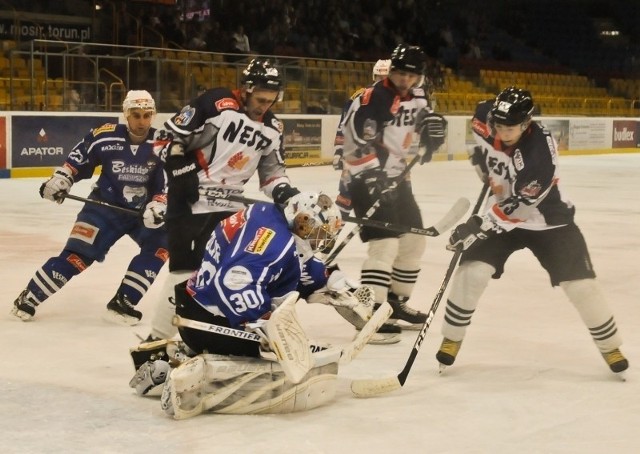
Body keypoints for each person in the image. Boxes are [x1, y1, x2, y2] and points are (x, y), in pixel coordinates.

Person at [437, 86, 629, 376]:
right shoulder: (483, 117)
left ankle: (610, 346)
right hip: (501, 210)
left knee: (581, 286)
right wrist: (480, 162)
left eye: (510, 127)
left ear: (527, 123)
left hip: (546, 219)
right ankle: (451, 338)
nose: (503, 131)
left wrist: (478, 226)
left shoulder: (539, 153)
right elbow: (477, 142)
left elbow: (521, 205)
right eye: (499, 125)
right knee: (472, 272)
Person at [129, 193, 377, 417]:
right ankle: (189, 381)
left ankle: (168, 360)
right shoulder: (275, 240)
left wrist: (335, 282)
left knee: (282, 328)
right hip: (214, 323)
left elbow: (295, 265)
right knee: (282, 360)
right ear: (297, 216)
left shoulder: (267, 214)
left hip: (197, 308)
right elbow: (234, 281)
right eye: (313, 230)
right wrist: (264, 325)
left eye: (322, 236)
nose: (315, 239)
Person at [143, 58, 302, 345]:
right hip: (191, 202)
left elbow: (273, 174)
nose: (263, 106)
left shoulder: (273, 129)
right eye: (259, 99)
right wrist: (180, 168)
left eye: (270, 101)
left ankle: (211, 338)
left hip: (231, 210)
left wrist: (285, 194)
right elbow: (164, 139)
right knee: (186, 274)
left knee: (225, 272)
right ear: (246, 89)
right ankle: (155, 342)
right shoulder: (216, 103)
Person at [11, 90, 168, 324]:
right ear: (126, 115)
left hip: (140, 213)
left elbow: (168, 180)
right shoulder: (104, 136)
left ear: (153, 115)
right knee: (78, 256)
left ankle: (124, 301)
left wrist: (159, 203)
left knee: (161, 245)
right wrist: (62, 178)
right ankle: (30, 296)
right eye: (136, 115)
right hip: (103, 209)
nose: (141, 121)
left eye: (147, 115)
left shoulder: (163, 143)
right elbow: (77, 160)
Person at [339, 44, 448, 341]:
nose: (404, 80)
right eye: (400, 73)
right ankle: (369, 311)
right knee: (384, 245)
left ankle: (395, 304)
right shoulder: (374, 97)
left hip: (399, 179)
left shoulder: (420, 95)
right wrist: (373, 176)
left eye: (411, 75)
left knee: (414, 240)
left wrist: (432, 135)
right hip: (367, 180)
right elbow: (353, 142)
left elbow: (423, 124)